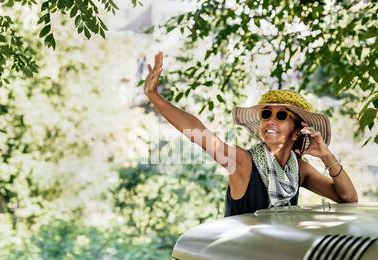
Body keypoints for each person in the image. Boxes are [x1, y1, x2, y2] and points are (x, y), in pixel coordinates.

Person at [144, 51, 358, 217]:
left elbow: (348, 199)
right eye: (266, 113)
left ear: (297, 131)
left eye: (282, 115)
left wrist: (327, 157)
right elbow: (197, 132)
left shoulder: (298, 170)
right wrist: (154, 96)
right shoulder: (242, 161)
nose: (271, 120)